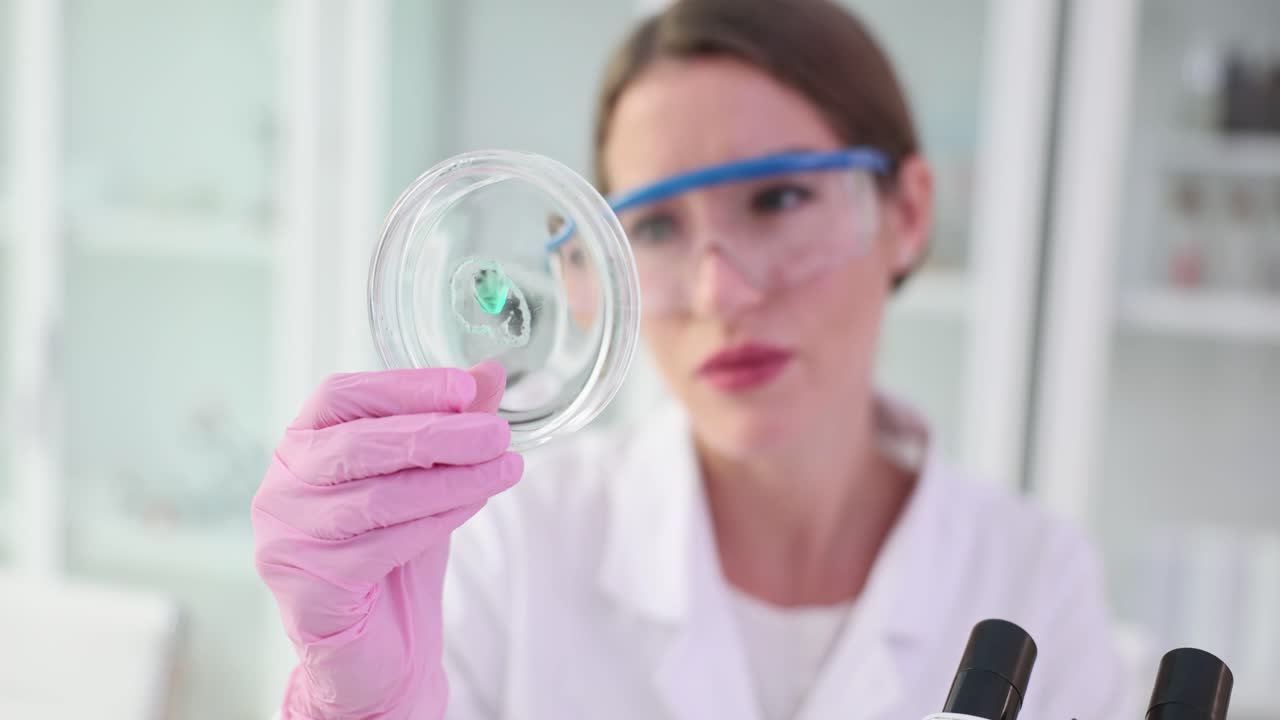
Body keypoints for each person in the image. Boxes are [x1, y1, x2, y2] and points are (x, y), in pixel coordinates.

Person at [252, 1, 1131, 718]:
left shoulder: (1032, 576)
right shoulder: (510, 545)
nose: (719, 294)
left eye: (778, 198)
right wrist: (357, 710)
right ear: (592, 273)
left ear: (905, 213)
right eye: (659, 228)